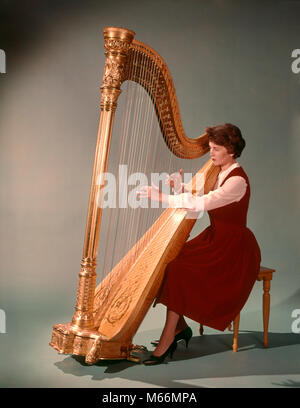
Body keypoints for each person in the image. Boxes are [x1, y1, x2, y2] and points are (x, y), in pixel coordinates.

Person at [137, 123, 261, 365]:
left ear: (231, 151)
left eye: (216, 149)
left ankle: (167, 338)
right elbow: (203, 199)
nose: (211, 153)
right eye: (211, 148)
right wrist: (179, 188)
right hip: (215, 237)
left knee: (179, 269)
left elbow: (200, 205)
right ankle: (179, 327)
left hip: (233, 248)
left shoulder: (237, 181)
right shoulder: (220, 172)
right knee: (171, 260)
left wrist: (160, 196)